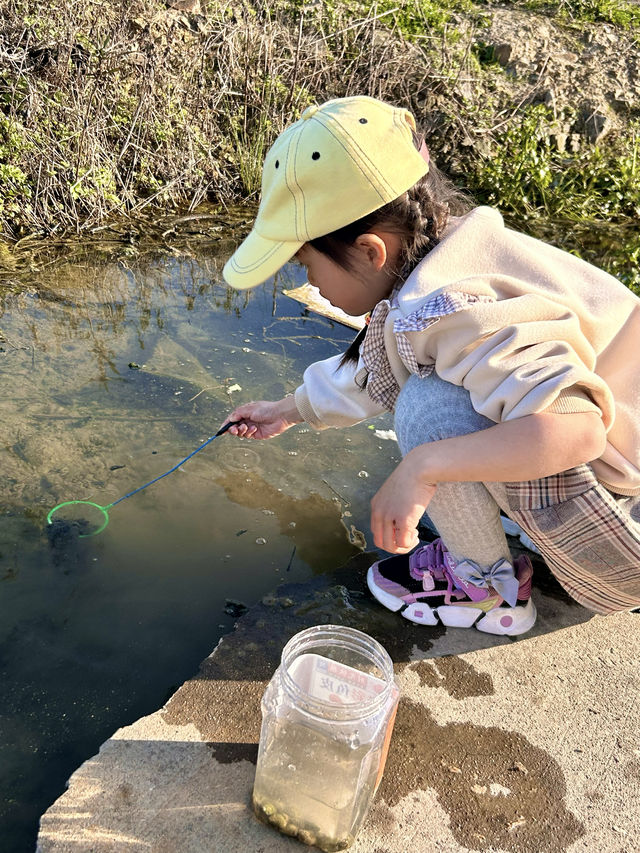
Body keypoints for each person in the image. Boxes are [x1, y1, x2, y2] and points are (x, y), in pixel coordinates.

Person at [222, 95, 640, 635]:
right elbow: (383, 365)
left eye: (305, 263)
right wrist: (288, 410)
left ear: (371, 251)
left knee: (428, 412)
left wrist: (423, 468)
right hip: (625, 471)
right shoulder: (452, 253)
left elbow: (576, 430)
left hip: (626, 534)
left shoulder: (454, 303)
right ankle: (510, 530)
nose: (309, 284)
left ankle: (486, 590)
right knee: (432, 396)